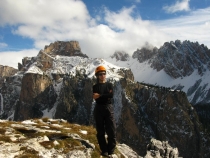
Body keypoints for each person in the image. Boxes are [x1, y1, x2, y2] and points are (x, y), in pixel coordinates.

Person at [93, 65, 116, 157]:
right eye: (101, 74)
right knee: (100, 131)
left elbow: (111, 95)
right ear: (97, 76)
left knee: (111, 130)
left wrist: (100, 95)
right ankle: (104, 151)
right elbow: (95, 97)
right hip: (99, 108)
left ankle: (111, 151)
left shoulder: (109, 85)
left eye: (104, 74)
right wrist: (105, 95)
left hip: (108, 107)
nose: (103, 75)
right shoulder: (95, 86)